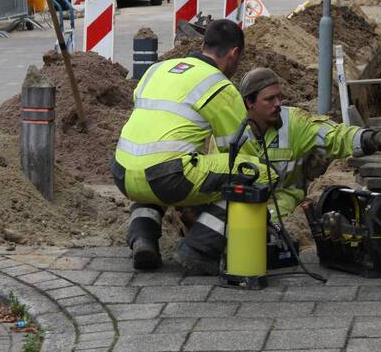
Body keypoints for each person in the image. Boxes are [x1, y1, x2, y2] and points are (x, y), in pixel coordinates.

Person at [111, 19, 269, 275]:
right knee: (255, 172)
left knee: (154, 169)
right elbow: (239, 152)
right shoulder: (218, 85)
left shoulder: (156, 69)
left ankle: (143, 237)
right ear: (234, 53)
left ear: (204, 44)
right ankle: (199, 248)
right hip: (168, 177)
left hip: (123, 172)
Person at [238, 67, 381, 224]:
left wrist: (372, 139)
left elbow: (334, 135)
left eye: (279, 97)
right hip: (241, 207)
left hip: (283, 211)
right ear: (249, 103)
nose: (277, 104)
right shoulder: (232, 127)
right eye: (269, 99)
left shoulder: (293, 123)